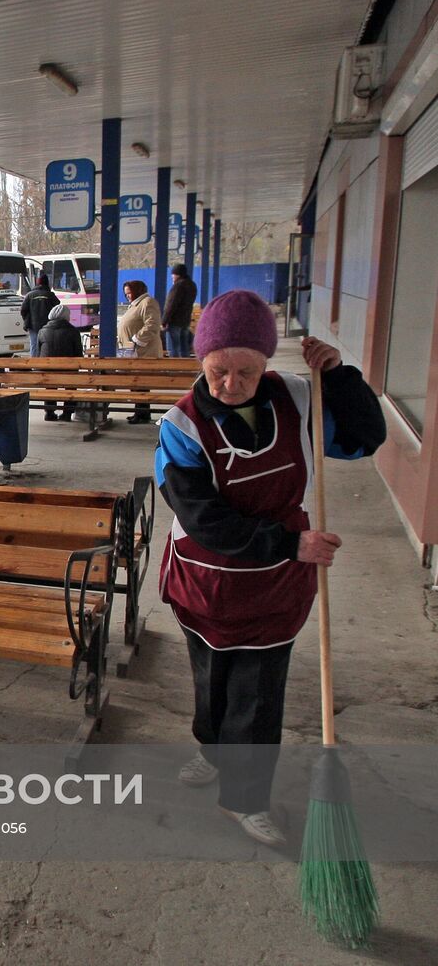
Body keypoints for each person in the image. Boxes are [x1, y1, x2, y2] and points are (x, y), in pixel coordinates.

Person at [156, 289, 385, 847]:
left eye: (246, 372)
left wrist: (343, 378)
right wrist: (289, 543)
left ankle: (244, 798)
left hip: (274, 588)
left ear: (266, 363)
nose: (231, 384)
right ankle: (211, 754)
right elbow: (204, 518)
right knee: (211, 682)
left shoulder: (300, 399)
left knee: (257, 698)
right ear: (201, 362)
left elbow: (363, 439)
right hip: (206, 579)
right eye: (218, 371)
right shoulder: (179, 428)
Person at [117, 279, 163, 423]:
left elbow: (153, 324)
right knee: (136, 383)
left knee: (141, 383)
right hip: (133, 351)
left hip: (143, 351)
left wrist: (136, 339)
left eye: (130, 293)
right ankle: (141, 411)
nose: (128, 296)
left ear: (137, 291)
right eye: (126, 294)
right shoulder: (136, 304)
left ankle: (142, 413)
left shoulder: (147, 302)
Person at [37, 303, 82, 421]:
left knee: (50, 384)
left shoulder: (42, 331)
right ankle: (67, 413)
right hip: (68, 370)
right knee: (71, 384)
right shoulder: (73, 331)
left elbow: (38, 353)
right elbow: (79, 354)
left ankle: (49, 412)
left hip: (47, 371)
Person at [162, 263, 198, 357]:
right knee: (184, 348)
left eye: (173, 275)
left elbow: (171, 304)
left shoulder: (178, 286)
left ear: (177, 274)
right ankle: (184, 368)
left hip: (174, 321)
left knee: (173, 348)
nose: (172, 277)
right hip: (185, 321)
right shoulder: (192, 285)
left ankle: (174, 369)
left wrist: (164, 321)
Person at [20, 274, 56, 357]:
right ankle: (45, 363)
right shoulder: (50, 295)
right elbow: (57, 306)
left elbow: (23, 310)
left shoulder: (29, 295)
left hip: (33, 325)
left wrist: (27, 319)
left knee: (34, 345)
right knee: (47, 345)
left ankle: (34, 364)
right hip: (47, 325)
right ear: (47, 283)